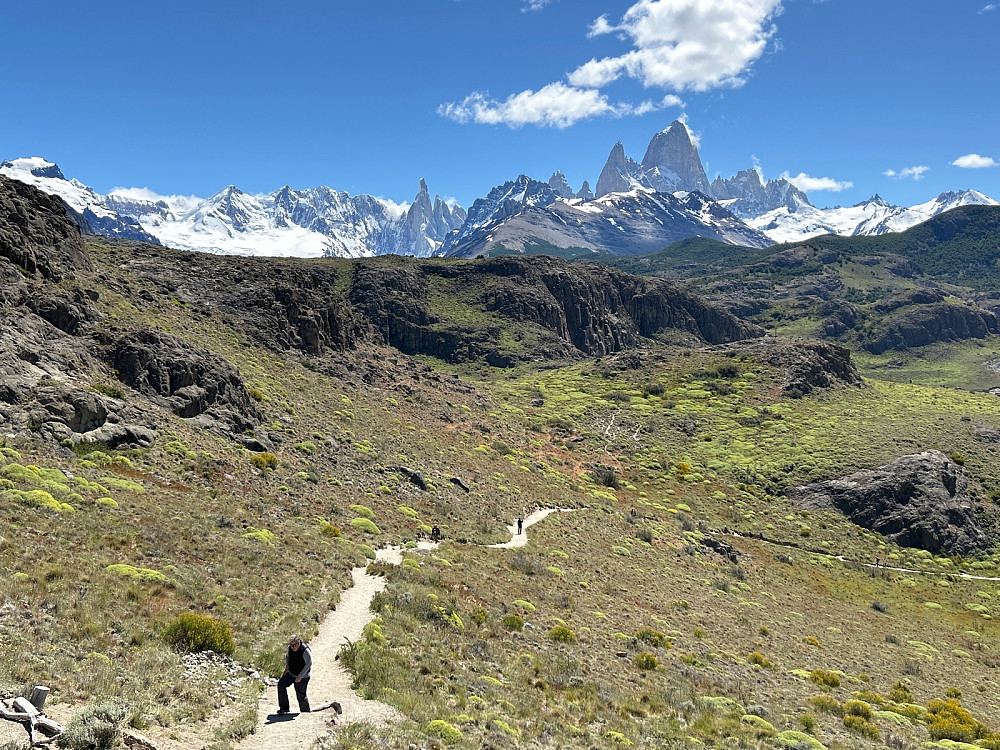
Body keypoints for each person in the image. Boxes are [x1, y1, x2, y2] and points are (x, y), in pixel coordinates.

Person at [277, 635, 312, 715]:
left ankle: (305, 713)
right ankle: (284, 708)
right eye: (291, 645)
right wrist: (287, 668)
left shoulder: (305, 650)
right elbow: (287, 657)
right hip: (292, 673)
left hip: (303, 676)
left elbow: (308, 664)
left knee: (301, 695)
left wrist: (300, 676)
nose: (292, 647)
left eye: (294, 645)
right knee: (281, 685)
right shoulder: (289, 649)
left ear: (299, 642)